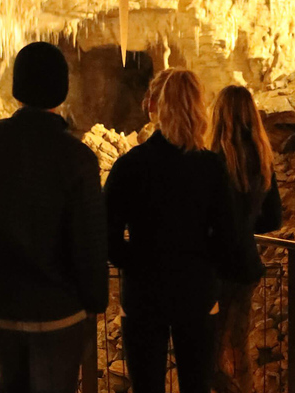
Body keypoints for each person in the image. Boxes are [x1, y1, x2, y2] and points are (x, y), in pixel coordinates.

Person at [0, 41, 108, 393]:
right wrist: (95, 301)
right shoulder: (76, 157)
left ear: (17, 87)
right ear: (62, 90)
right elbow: (88, 241)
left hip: (1, 306)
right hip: (58, 312)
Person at [105, 69, 239, 393]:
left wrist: (134, 261)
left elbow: (105, 234)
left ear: (152, 106)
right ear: (198, 107)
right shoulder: (212, 168)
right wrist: (206, 266)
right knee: (196, 384)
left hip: (143, 295)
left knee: (147, 386)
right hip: (197, 292)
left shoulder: (130, 166)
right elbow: (229, 237)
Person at [209, 86, 282, 393]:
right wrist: (246, 223)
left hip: (215, 269)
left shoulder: (212, 161)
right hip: (247, 267)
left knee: (210, 352)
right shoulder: (262, 160)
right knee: (239, 346)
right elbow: (274, 218)